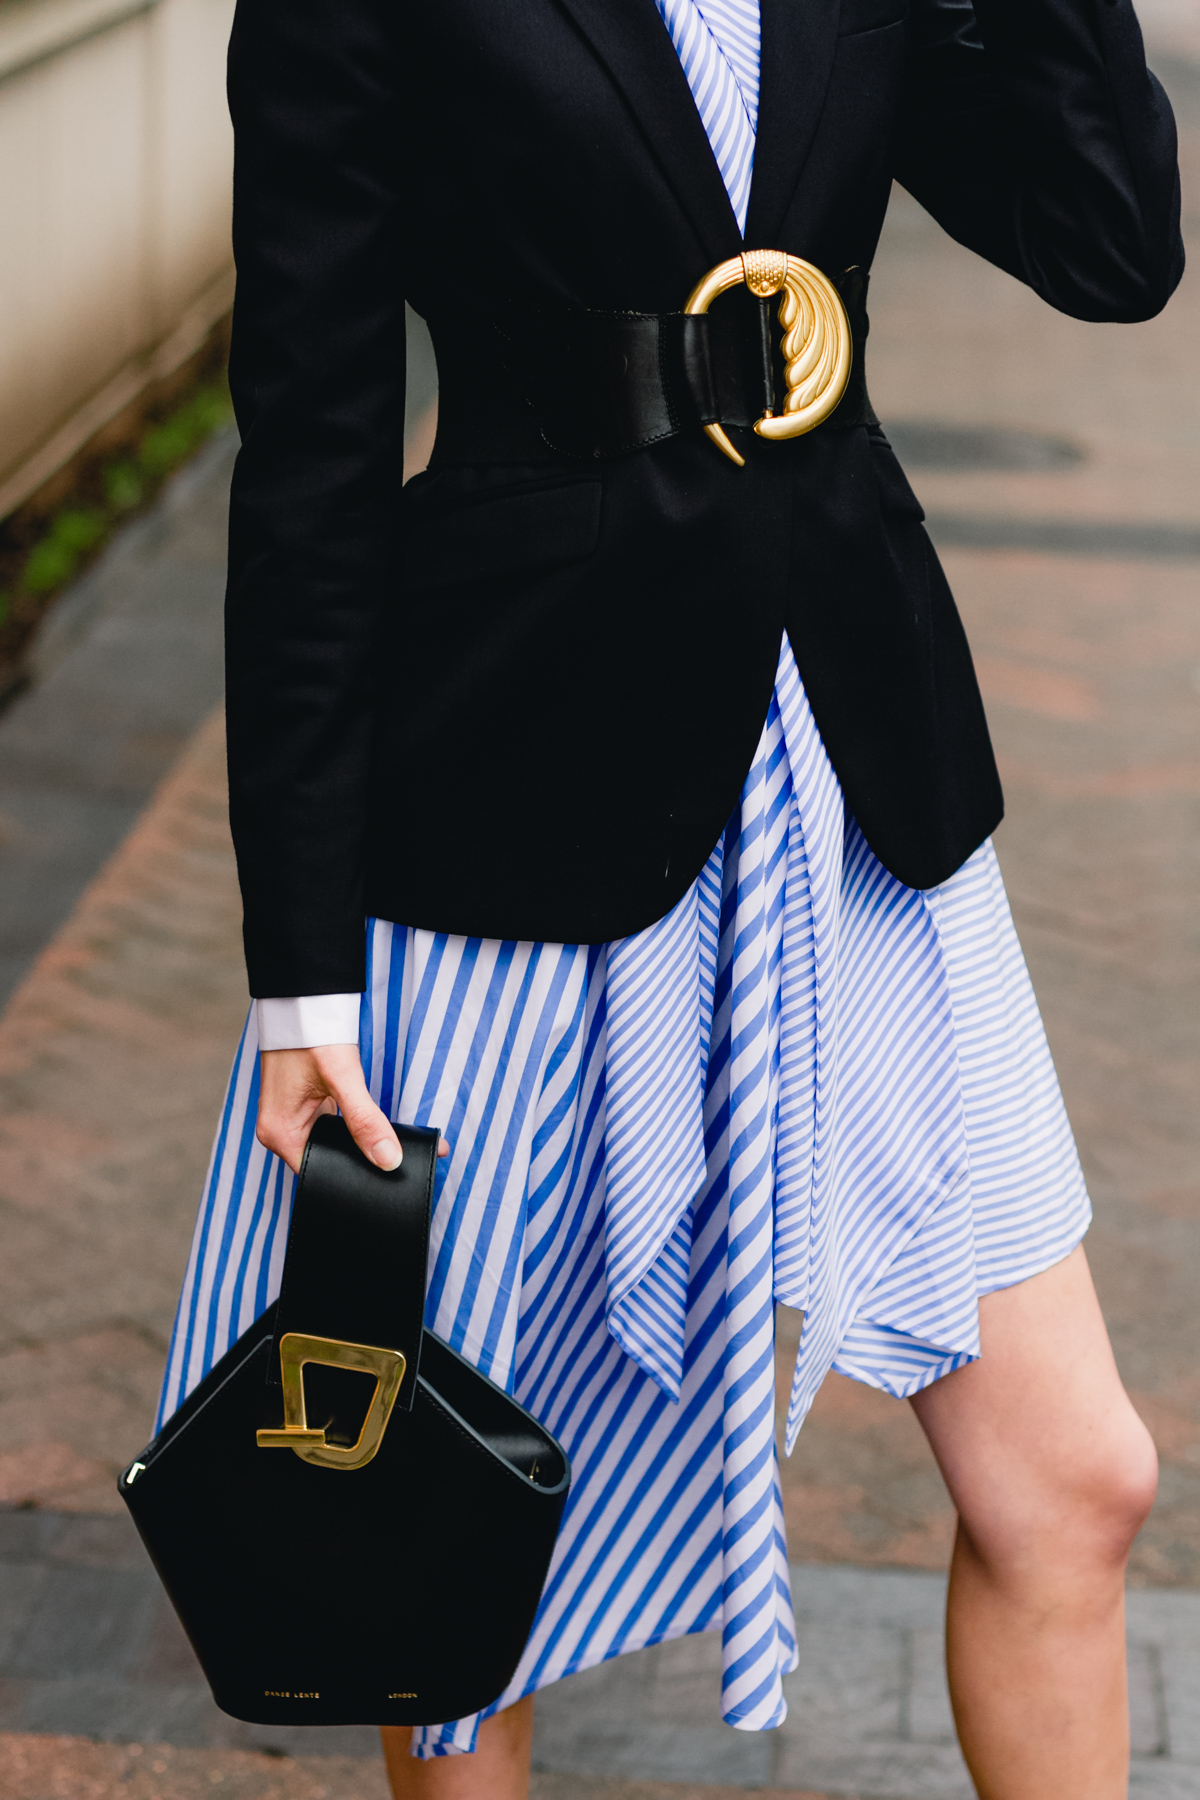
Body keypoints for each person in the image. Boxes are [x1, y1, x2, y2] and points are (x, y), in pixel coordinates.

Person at [156, 0, 1182, 1792]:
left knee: (1077, 1481)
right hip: (520, 804)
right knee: (452, 1546)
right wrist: (301, 972)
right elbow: (309, 453)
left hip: (854, 764)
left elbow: (1109, 248)